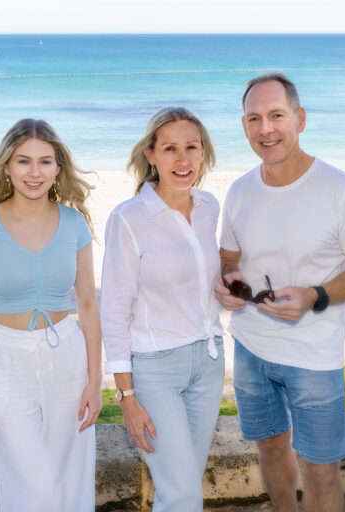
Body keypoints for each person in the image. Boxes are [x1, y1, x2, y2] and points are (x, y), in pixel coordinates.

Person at [215, 74, 345, 512]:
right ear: (244, 126)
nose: (265, 129)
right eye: (254, 119)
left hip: (314, 357)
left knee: (321, 470)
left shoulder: (341, 190)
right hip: (250, 347)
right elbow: (229, 259)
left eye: (276, 116)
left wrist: (313, 296)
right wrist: (229, 282)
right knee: (270, 450)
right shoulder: (239, 191)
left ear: (300, 119)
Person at [0, 119, 102, 512]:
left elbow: (89, 304)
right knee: (28, 483)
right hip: (4, 359)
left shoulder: (74, 224)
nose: (34, 172)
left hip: (67, 354)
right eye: (23, 161)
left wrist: (95, 381)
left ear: (58, 168)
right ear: (6, 166)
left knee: (69, 475)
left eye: (45, 161)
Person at [100, 107, 224, 511]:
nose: (183, 159)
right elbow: (114, 310)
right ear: (151, 155)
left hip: (209, 362)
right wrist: (126, 396)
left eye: (192, 147)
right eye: (170, 148)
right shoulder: (129, 218)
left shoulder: (209, 207)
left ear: (204, 153)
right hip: (155, 371)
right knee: (181, 492)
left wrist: (228, 288)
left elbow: (202, 278)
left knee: (183, 487)